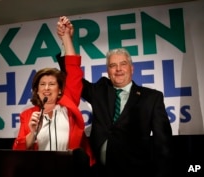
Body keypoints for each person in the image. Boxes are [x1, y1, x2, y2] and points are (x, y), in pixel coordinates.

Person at [56, 16, 173, 177]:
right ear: (107, 71)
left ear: (132, 69)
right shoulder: (100, 90)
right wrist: (67, 39)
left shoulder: (151, 98)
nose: (118, 69)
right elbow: (72, 77)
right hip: (98, 173)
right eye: (112, 65)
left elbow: (163, 143)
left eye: (123, 64)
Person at [12, 16, 95, 170]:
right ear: (36, 91)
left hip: (72, 169)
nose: (47, 88)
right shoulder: (28, 115)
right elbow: (18, 153)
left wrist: (66, 37)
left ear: (60, 90)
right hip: (40, 171)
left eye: (52, 84)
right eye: (42, 84)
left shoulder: (68, 106)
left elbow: (73, 70)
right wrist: (32, 132)